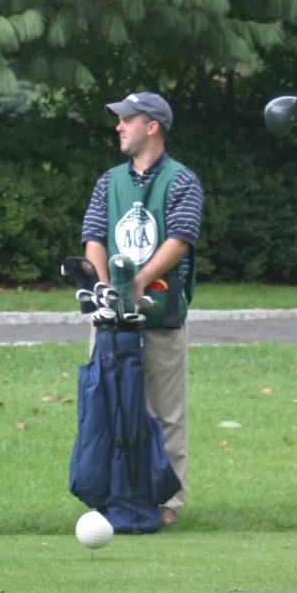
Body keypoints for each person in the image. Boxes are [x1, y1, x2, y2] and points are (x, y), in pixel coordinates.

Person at [80, 92, 203, 526]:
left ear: (152, 126)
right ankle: (116, 494)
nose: (118, 126)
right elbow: (94, 236)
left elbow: (180, 238)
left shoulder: (182, 179)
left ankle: (167, 501)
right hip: (110, 317)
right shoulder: (108, 180)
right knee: (109, 405)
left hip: (162, 312)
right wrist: (102, 287)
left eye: (127, 120)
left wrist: (139, 279)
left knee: (166, 413)